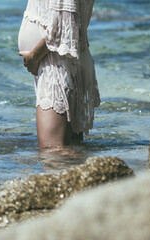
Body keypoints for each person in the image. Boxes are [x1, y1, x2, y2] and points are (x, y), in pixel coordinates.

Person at [17, 0, 100, 150]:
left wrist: (34, 58)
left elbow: (63, 25)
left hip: (56, 63)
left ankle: (105, 170)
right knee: (70, 151)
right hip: (62, 60)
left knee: (53, 151)